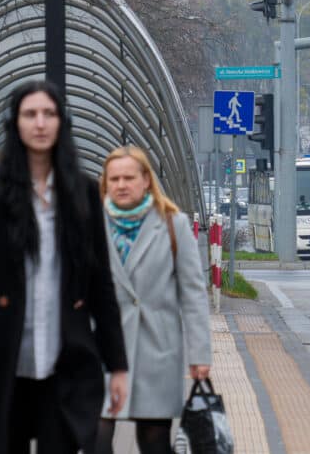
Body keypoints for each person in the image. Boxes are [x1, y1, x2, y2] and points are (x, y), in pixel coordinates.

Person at [0, 81, 129, 454]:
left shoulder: (83, 193)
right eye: (30, 114)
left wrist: (117, 365)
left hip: (65, 364)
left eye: (49, 114)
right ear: (16, 123)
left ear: (61, 123)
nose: (40, 123)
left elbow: (100, 285)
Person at [95, 146, 211, 454]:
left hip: (156, 350)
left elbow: (193, 294)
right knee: (96, 438)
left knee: (154, 443)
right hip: (102, 350)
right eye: (114, 178)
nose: (121, 185)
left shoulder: (173, 225)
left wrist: (200, 354)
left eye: (129, 177)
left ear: (146, 180)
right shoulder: (90, 226)